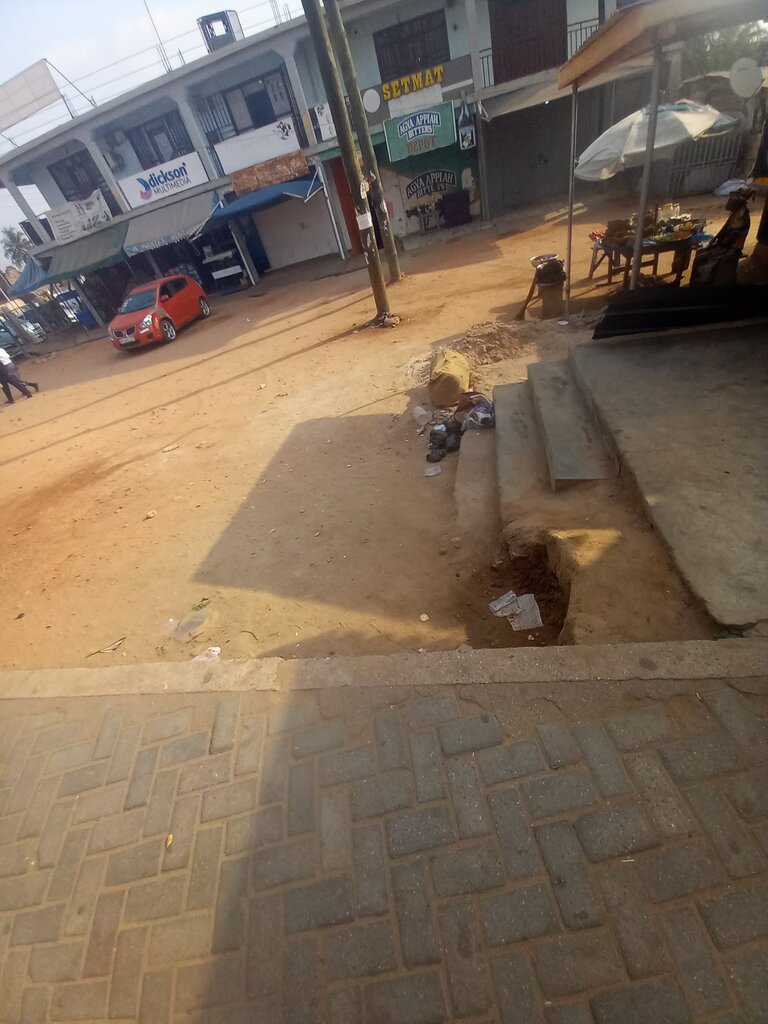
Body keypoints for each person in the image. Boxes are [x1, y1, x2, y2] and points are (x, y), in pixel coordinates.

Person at [690, 188, 755, 287]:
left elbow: (729, 239)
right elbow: (723, 231)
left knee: (700, 259)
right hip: (724, 245)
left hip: (731, 249)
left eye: (731, 201)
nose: (728, 203)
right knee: (700, 252)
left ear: (737, 203)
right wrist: (712, 243)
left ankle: (703, 286)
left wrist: (712, 246)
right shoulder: (736, 213)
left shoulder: (741, 217)